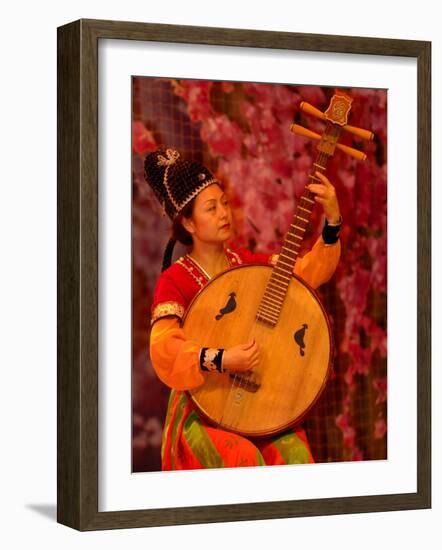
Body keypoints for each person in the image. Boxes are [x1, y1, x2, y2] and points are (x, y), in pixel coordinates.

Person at [144, 147, 342, 470]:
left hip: (257, 404)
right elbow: (164, 349)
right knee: (242, 458)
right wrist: (223, 358)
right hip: (202, 409)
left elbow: (303, 275)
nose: (224, 213)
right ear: (189, 223)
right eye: (211, 208)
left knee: (295, 455)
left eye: (224, 203)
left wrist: (332, 221)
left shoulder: (243, 264)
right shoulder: (175, 280)